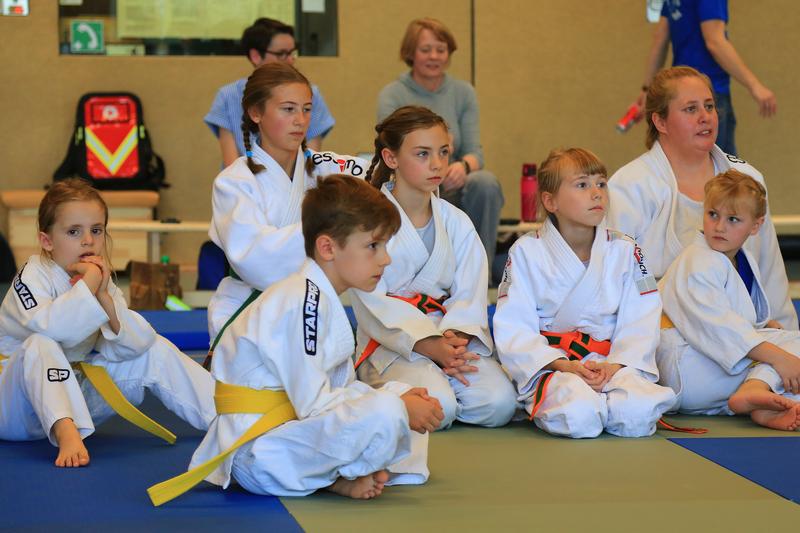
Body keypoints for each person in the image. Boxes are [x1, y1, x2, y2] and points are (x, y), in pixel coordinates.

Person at [148, 175, 442, 506]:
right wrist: (396, 405)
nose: (385, 259)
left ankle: (342, 474)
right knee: (388, 412)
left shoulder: (316, 295)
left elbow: (336, 392)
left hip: (290, 432)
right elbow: (315, 405)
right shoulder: (302, 302)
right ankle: (340, 474)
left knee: (401, 401)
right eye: (373, 246)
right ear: (328, 248)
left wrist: (399, 396)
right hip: (259, 451)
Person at [0, 179, 215, 467]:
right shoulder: (32, 275)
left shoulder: (99, 279)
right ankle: (66, 432)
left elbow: (137, 343)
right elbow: (54, 330)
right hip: (14, 406)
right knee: (40, 343)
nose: (88, 240)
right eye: (74, 231)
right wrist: (89, 285)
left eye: (96, 230)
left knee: (155, 351)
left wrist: (103, 296)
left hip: (73, 396)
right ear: (47, 241)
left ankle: (227, 415)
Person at [350, 106, 516, 431]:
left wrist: (454, 340)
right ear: (391, 158)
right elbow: (371, 299)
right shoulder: (366, 223)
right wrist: (428, 345)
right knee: (439, 406)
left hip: (449, 336)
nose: (437, 164)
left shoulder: (456, 221)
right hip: (392, 343)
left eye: (443, 152)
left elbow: (469, 291)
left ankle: (442, 376)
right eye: (423, 154)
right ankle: (378, 386)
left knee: (499, 404)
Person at [493, 148, 676, 438]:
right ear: (550, 201)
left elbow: (642, 316)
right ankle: (588, 403)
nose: (596, 193)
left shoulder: (626, 249)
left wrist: (616, 364)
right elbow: (513, 324)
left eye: (601, 183)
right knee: (579, 415)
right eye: (582, 184)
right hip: (555, 366)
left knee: (638, 414)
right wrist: (561, 364)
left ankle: (609, 400)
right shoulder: (526, 251)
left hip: (612, 364)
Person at [608, 66, 797, 330]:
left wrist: (788, 337)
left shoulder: (747, 179)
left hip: (746, 331)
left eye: (709, 106)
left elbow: (770, 273)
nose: (705, 117)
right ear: (660, 122)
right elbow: (615, 280)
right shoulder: (629, 186)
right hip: (659, 333)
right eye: (690, 109)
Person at [207, 62, 367, 345]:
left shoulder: (324, 169)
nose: (301, 120)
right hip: (250, 314)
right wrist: (331, 227)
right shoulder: (234, 182)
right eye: (288, 109)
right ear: (256, 113)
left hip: (314, 309)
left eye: (307, 109)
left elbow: (378, 175)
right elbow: (257, 260)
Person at [658, 170, 800, 430]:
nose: (720, 226)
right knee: (791, 351)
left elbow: (734, 316)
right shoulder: (699, 261)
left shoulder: (738, 259)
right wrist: (780, 355)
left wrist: (766, 326)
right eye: (713, 214)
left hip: (709, 378)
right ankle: (756, 386)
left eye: (733, 219)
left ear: (755, 225)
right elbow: (719, 327)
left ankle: (762, 407)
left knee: (793, 374)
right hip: (686, 366)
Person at [377, 18, 504, 266]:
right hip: (408, 182)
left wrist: (461, 166)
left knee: (485, 183)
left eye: (441, 49)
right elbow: (388, 148)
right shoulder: (392, 94)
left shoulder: (463, 92)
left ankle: (481, 269)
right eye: (426, 50)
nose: (434, 56)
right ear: (410, 53)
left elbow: (475, 154)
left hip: (450, 181)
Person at [633, 0, 776, 156]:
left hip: (679, 94)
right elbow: (715, 41)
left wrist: (647, 89)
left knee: (699, 162)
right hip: (709, 89)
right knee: (714, 165)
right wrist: (754, 85)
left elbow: (660, 38)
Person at [206, 17, 335, 166]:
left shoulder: (311, 94)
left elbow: (310, 162)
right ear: (255, 56)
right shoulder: (227, 95)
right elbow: (231, 164)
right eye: (281, 54)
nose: (290, 60)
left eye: (292, 53)